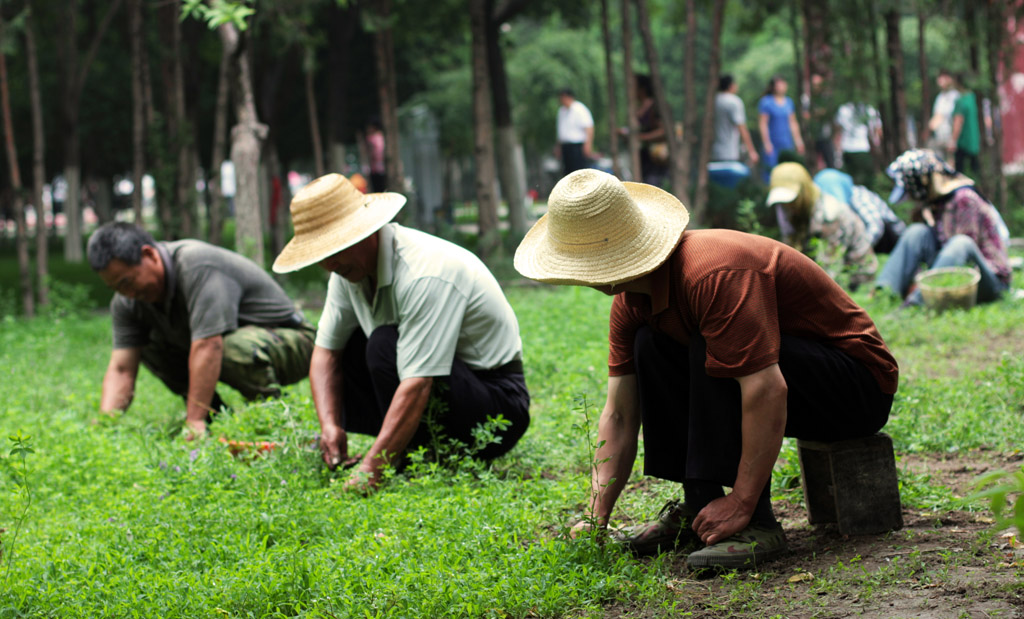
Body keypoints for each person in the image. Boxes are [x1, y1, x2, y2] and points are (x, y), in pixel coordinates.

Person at [513, 169, 898, 570]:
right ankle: (699, 506)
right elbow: (620, 413)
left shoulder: (713, 273)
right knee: (653, 343)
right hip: (786, 380)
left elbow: (767, 389)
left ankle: (756, 524)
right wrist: (596, 515)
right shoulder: (631, 304)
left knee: (706, 345)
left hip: (858, 388)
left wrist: (742, 502)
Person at [272, 174, 530, 491]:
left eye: (335, 248)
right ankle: (406, 450)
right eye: (320, 254)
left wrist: (371, 469)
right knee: (350, 347)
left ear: (362, 231)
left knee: (382, 343)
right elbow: (325, 352)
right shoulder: (346, 272)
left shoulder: (426, 271)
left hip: (496, 407)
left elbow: (418, 382)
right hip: (439, 386)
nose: (329, 263)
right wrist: (330, 425)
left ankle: (408, 458)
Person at [88, 223, 316, 438]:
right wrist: (106, 425)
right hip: (238, 344)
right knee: (147, 345)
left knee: (228, 348)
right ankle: (214, 417)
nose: (125, 293)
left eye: (127, 282)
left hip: (296, 342)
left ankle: (273, 412)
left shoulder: (196, 264)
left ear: (149, 254)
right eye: (115, 287)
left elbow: (209, 344)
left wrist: (192, 422)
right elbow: (122, 369)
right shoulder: (127, 303)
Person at [874, 149, 1009, 306]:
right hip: (954, 274)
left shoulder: (964, 199)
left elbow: (962, 259)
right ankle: (884, 293)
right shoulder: (939, 202)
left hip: (989, 283)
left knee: (961, 243)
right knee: (916, 232)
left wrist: (919, 284)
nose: (912, 198)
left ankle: (917, 302)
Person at [766, 162, 878, 289]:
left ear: (804, 192)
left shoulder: (829, 215)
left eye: (791, 200)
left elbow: (830, 273)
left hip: (855, 281)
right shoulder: (794, 212)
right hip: (825, 274)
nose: (786, 206)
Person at [814, 168, 905, 254]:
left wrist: (861, 249)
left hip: (893, 239)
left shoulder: (858, 196)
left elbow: (876, 225)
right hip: (869, 241)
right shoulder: (838, 206)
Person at [758, 75, 804, 181]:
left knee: (787, 171)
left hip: (786, 142)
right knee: (771, 172)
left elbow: (793, 123)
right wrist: (766, 142)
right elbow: (763, 123)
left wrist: (798, 141)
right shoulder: (766, 102)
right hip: (772, 144)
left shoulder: (789, 102)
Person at [711, 74, 759, 166]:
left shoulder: (713, 101)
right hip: (729, 152)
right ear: (731, 86)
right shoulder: (734, 101)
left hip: (713, 152)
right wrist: (751, 151)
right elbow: (742, 127)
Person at [631, 74, 669, 187]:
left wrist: (642, 137)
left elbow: (664, 131)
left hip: (657, 158)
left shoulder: (655, 107)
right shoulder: (638, 107)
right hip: (644, 157)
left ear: (641, 88)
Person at [834, 102, 882, 185]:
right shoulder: (869, 109)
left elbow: (838, 133)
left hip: (847, 149)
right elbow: (877, 131)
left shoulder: (843, 109)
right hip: (863, 148)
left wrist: (837, 151)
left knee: (849, 181)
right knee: (867, 182)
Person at [556, 88, 595, 176]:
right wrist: (558, 146)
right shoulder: (561, 111)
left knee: (579, 171)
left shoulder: (579, 109)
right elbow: (560, 131)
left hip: (577, 146)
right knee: (568, 172)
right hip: (566, 145)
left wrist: (588, 144)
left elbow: (589, 127)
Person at [923, 69, 961, 155]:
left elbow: (957, 119)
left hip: (951, 138)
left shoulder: (955, 96)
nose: (940, 80)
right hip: (940, 138)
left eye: (943, 77)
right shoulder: (940, 97)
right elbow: (937, 116)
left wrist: (953, 139)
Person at [950, 74, 981, 177]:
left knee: (960, 177)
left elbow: (958, 122)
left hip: (962, 145)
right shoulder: (972, 98)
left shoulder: (960, 102)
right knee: (975, 175)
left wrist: (953, 141)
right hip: (974, 144)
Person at [366, 118, 387, 193]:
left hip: (377, 170)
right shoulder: (382, 137)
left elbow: (375, 154)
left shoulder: (372, 138)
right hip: (381, 169)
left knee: (378, 191)